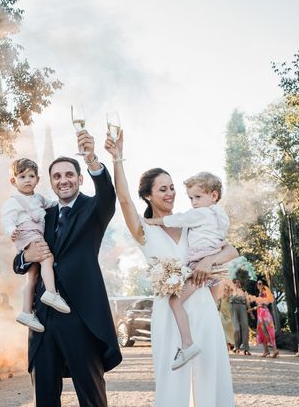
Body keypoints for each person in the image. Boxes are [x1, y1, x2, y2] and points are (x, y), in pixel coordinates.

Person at [105, 130, 236, 406]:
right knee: (172, 381)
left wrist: (208, 261)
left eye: (172, 187)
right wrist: (117, 159)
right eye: (162, 189)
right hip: (169, 310)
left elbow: (230, 250)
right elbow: (125, 200)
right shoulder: (143, 230)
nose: (171, 193)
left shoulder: (191, 221)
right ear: (149, 196)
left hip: (201, 305)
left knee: (211, 375)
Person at [12, 130, 121, 407]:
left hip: (81, 318)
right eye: (57, 176)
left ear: (80, 178)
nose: (64, 180)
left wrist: (92, 159)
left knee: (91, 396)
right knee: (45, 398)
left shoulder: (94, 209)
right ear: (50, 182)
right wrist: (27, 256)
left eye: (69, 174)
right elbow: (18, 263)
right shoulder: (40, 215)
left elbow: (108, 194)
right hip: (43, 320)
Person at [145, 171, 229, 368]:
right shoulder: (219, 216)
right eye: (191, 198)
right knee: (209, 304)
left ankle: (187, 344)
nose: (193, 202)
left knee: (175, 301)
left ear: (214, 195)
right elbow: (226, 244)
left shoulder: (201, 214)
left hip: (198, 265)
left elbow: (177, 219)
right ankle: (204, 340)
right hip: (213, 268)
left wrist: (151, 221)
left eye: (198, 197)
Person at [0, 158, 67, 333]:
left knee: (32, 277)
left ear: (37, 179)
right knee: (47, 257)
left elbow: (52, 204)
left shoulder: (38, 198)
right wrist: (11, 231)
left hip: (33, 234)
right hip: (26, 233)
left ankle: (26, 312)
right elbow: (7, 219)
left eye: (31, 176)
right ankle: (51, 293)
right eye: (22, 177)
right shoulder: (13, 201)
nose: (28, 180)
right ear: (13, 181)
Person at [250, 279, 280, 358]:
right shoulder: (260, 293)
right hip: (261, 314)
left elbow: (263, 304)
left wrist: (253, 308)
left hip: (264, 314)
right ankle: (267, 351)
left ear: (263, 285)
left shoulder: (264, 293)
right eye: (257, 284)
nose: (258, 285)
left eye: (260, 284)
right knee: (263, 332)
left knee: (267, 331)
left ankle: (274, 350)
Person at [230, 279, 254, 355]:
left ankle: (246, 349)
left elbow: (247, 303)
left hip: (243, 308)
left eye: (238, 282)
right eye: (235, 282)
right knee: (236, 329)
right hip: (233, 308)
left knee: (245, 327)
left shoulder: (244, 292)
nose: (237, 283)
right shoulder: (230, 291)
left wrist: (251, 314)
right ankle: (236, 347)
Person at [217, 282, 235, 351]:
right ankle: (226, 344)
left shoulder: (231, 295)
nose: (226, 289)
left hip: (229, 314)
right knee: (223, 327)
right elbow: (218, 303)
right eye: (225, 288)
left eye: (227, 288)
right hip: (222, 313)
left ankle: (231, 343)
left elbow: (232, 300)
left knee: (230, 328)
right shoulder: (221, 295)